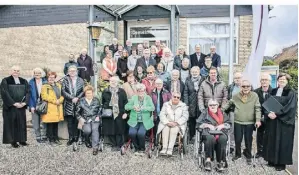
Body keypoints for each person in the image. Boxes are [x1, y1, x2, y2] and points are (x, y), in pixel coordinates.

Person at [222, 79, 261, 165]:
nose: (245, 88)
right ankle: (238, 154)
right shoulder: (236, 95)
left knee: (248, 139)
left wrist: (258, 120)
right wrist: (221, 110)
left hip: (249, 122)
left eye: (247, 86)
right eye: (243, 86)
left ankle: (248, 155)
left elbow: (258, 108)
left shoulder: (255, 96)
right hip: (238, 121)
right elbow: (229, 103)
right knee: (238, 139)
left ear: (250, 87)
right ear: (241, 87)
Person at [263, 73, 297, 171]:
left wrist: (277, 114)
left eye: (284, 79)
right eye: (280, 79)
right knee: (271, 140)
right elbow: (266, 104)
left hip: (283, 122)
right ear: (277, 80)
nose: (281, 81)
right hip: (272, 122)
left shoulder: (291, 92)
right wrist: (268, 113)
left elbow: (290, 107)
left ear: (287, 81)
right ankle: (271, 160)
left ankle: (281, 164)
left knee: (282, 142)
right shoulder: (273, 91)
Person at [196, 99, 231, 172]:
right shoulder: (205, 112)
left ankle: (220, 161)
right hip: (208, 131)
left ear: (218, 105)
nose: (212, 106)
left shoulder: (222, 112)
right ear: (208, 106)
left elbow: (229, 124)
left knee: (223, 139)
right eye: (210, 105)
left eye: (214, 105)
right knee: (210, 138)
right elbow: (198, 124)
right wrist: (207, 125)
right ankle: (208, 160)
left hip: (220, 131)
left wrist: (222, 125)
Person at [1, 66, 30, 148]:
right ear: (11, 71)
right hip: (11, 107)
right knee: (11, 123)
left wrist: (24, 103)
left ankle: (22, 140)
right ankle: (13, 141)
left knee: (21, 123)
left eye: (18, 71)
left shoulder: (24, 81)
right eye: (14, 70)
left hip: (21, 106)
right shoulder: (5, 80)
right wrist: (13, 103)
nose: (16, 72)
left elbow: (28, 92)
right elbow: (4, 93)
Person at [124, 83, 155, 154]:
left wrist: (144, 108)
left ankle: (142, 148)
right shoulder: (134, 97)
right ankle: (136, 148)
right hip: (134, 120)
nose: (141, 92)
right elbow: (126, 106)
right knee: (132, 133)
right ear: (137, 91)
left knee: (140, 133)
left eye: (142, 91)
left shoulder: (148, 98)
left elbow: (152, 108)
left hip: (145, 121)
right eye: (139, 91)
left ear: (145, 91)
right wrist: (133, 107)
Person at [101, 76, 128, 151]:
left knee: (119, 128)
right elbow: (102, 102)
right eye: (112, 81)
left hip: (120, 113)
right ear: (109, 82)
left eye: (115, 81)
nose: (113, 83)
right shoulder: (105, 91)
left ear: (118, 82)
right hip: (109, 113)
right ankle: (113, 144)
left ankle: (119, 144)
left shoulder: (122, 91)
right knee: (110, 128)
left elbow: (126, 102)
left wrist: (126, 113)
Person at [61, 65, 85, 146]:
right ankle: (71, 138)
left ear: (76, 72)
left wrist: (77, 98)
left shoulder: (81, 80)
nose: (72, 72)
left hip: (78, 103)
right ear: (68, 72)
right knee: (70, 122)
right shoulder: (65, 80)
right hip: (69, 103)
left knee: (77, 121)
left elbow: (83, 91)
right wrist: (72, 98)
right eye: (70, 71)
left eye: (74, 71)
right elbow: (63, 91)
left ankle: (77, 137)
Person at [76, 85, 101, 155]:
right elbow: (76, 112)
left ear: (93, 93)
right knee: (87, 130)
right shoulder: (81, 101)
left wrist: (98, 116)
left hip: (95, 118)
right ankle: (87, 140)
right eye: (87, 93)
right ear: (85, 93)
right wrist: (80, 118)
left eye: (90, 93)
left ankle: (95, 148)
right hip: (85, 119)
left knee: (95, 130)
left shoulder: (96, 100)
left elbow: (100, 109)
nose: (89, 94)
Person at [41, 71, 64, 146]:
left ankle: (56, 138)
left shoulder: (58, 85)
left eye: (53, 77)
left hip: (58, 107)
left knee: (56, 124)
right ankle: (51, 139)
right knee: (50, 124)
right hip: (50, 108)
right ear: (47, 78)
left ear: (55, 78)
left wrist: (60, 100)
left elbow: (62, 95)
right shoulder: (45, 86)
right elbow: (44, 96)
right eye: (50, 77)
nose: (51, 78)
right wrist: (55, 101)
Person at [253, 73, 272, 158]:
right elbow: (254, 105)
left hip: (270, 117)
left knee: (270, 134)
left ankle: (268, 151)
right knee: (259, 134)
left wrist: (268, 115)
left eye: (266, 80)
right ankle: (259, 151)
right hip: (259, 116)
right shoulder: (256, 92)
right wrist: (258, 117)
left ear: (269, 81)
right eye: (262, 80)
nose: (264, 81)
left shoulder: (274, 91)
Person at [183, 66, 203, 141]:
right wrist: (186, 104)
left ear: (199, 72)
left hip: (200, 103)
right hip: (191, 103)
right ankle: (192, 136)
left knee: (200, 119)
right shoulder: (188, 80)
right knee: (191, 120)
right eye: (193, 72)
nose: (194, 73)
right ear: (191, 72)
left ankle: (201, 137)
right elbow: (185, 92)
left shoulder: (203, 79)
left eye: (196, 72)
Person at [28, 67, 47, 143]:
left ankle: (44, 136)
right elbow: (29, 95)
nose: (37, 74)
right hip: (34, 104)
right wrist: (31, 106)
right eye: (36, 73)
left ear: (41, 74)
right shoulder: (31, 82)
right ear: (34, 74)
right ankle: (38, 136)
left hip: (43, 104)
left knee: (45, 121)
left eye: (39, 73)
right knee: (36, 122)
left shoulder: (45, 81)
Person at [226, 72, 242, 153]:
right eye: (236, 78)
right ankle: (231, 145)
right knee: (232, 129)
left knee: (241, 129)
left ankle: (241, 146)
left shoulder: (246, 86)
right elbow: (227, 99)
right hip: (233, 110)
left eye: (239, 78)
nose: (237, 79)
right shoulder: (230, 87)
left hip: (243, 111)